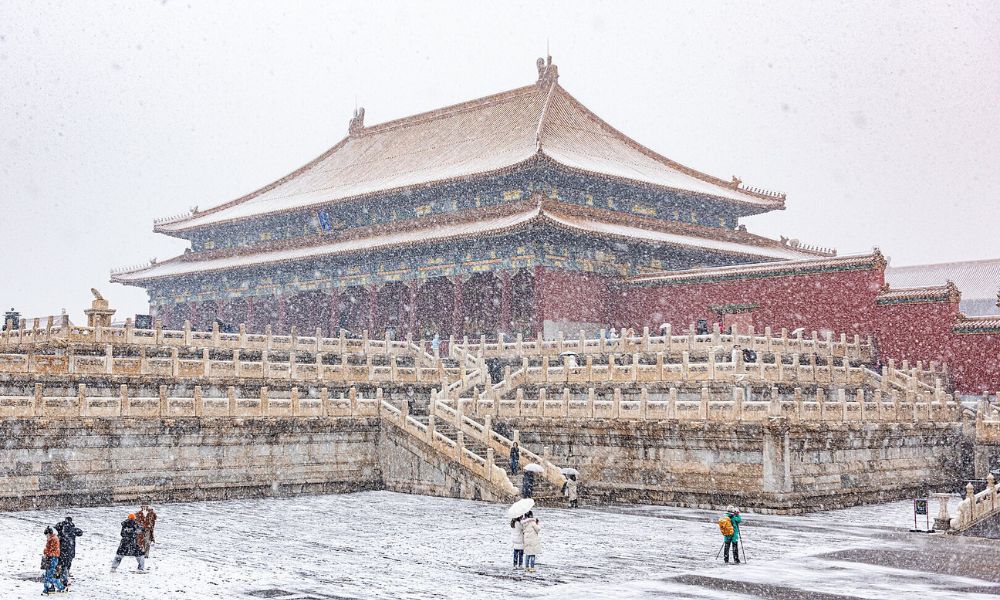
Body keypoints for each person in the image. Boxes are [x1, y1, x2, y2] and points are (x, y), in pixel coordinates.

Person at [55, 516, 83, 587]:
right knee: (67, 564)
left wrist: (62, 524)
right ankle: (64, 577)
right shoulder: (73, 530)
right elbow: (80, 532)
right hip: (70, 550)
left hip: (62, 550)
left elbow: (56, 527)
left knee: (61, 564)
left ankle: (61, 578)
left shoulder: (61, 530)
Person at [41, 526, 66, 595]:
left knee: (49, 576)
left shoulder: (53, 539)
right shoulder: (53, 538)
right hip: (51, 558)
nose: (46, 536)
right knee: (47, 575)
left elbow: (50, 550)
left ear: (49, 533)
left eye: (47, 534)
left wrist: (45, 552)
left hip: (52, 558)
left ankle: (61, 587)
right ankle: (46, 589)